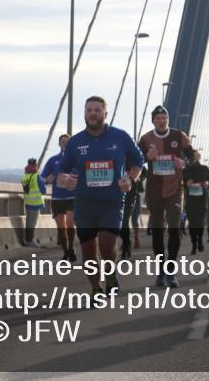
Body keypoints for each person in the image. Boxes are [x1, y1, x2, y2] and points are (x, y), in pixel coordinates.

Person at [56, 96, 143, 297]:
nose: (93, 113)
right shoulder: (75, 142)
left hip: (112, 202)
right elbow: (61, 170)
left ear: (105, 113)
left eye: (97, 110)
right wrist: (63, 179)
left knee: (106, 245)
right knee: (88, 251)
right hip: (84, 203)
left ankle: (110, 274)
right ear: (85, 114)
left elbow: (139, 159)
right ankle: (96, 288)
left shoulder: (120, 137)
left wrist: (131, 179)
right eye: (89, 110)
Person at [138, 105, 193, 288]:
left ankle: (171, 270)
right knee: (158, 231)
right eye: (158, 118)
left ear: (168, 120)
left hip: (175, 189)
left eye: (164, 118)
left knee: (174, 229)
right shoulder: (145, 138)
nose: (161, 121)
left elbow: (192, 157)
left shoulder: (179, 136)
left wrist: (182, 162)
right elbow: (136, 161)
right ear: (153, 120)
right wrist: (147, 156)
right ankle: (161, 270)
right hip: (154, 190)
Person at [41, 134, 76, 260]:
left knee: (70, 223)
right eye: (63, 142)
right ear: (59, 144)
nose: (65, 143)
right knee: (61, 227)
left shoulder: (76, 159)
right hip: (57, 198)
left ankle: (71, 247)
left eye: (67, 141)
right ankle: (66, 251)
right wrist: (48, 179)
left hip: (72, 197)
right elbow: (42, 177)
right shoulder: (53, 160)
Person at [184, 150, 209, 254]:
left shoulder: (204, 169)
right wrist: (187, 183)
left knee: (200, 223)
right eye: (193, 156)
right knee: (192, 223)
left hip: (201, 199)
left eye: (196, 156)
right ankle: (194, 244)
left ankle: (199, 240)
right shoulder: (186, 169)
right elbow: (181, 182)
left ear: (199, 157)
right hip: (190, 200)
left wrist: (206, 183)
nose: (194, 158)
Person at [21, 158, 46, 248]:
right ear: (35, 165)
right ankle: (29, 241)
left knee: (28, 221)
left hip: (27, 202)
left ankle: (26, 239)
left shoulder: (23, 176)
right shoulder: (37, 177)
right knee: (32, 222)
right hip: (35, 203)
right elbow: (43, 191)